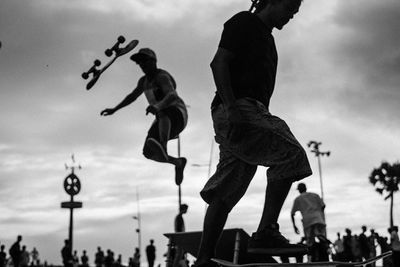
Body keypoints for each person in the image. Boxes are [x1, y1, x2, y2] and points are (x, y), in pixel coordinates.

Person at [195, 0, 312, 266]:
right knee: (291, 154)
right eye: (289, 8)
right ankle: (265, 232)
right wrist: (232, 107)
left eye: (295, 12)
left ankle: (203, 259)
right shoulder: (244, 22)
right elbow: (218, 63)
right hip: (238, 107)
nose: (291, 15)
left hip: (247, 110)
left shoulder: (268, 42)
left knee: (227, 188)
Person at [100, 48, 188, 186]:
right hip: (162, 120)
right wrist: (114, 109)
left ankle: (163, 147)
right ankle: (178, 162)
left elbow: (172, 95)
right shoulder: (143, 82)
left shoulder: (162, 76)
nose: (142, 66)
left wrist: (157, 106)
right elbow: (132, 97)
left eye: (145, 62)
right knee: (148, 152)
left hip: (177, 114)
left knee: (162, 112)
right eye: (140, 63)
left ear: (153, 61)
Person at [291, 183, 327, 261]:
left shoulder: (298, 199)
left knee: (310, 241)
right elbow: (323, 206)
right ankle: (325, 253)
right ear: (306, 188)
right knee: (321, 236)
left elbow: (292, 213)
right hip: (318, 218)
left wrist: (294, 226)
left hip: (308, 220)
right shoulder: (315, 195)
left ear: (299, 190)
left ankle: (311, 258)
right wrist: (321, 214)